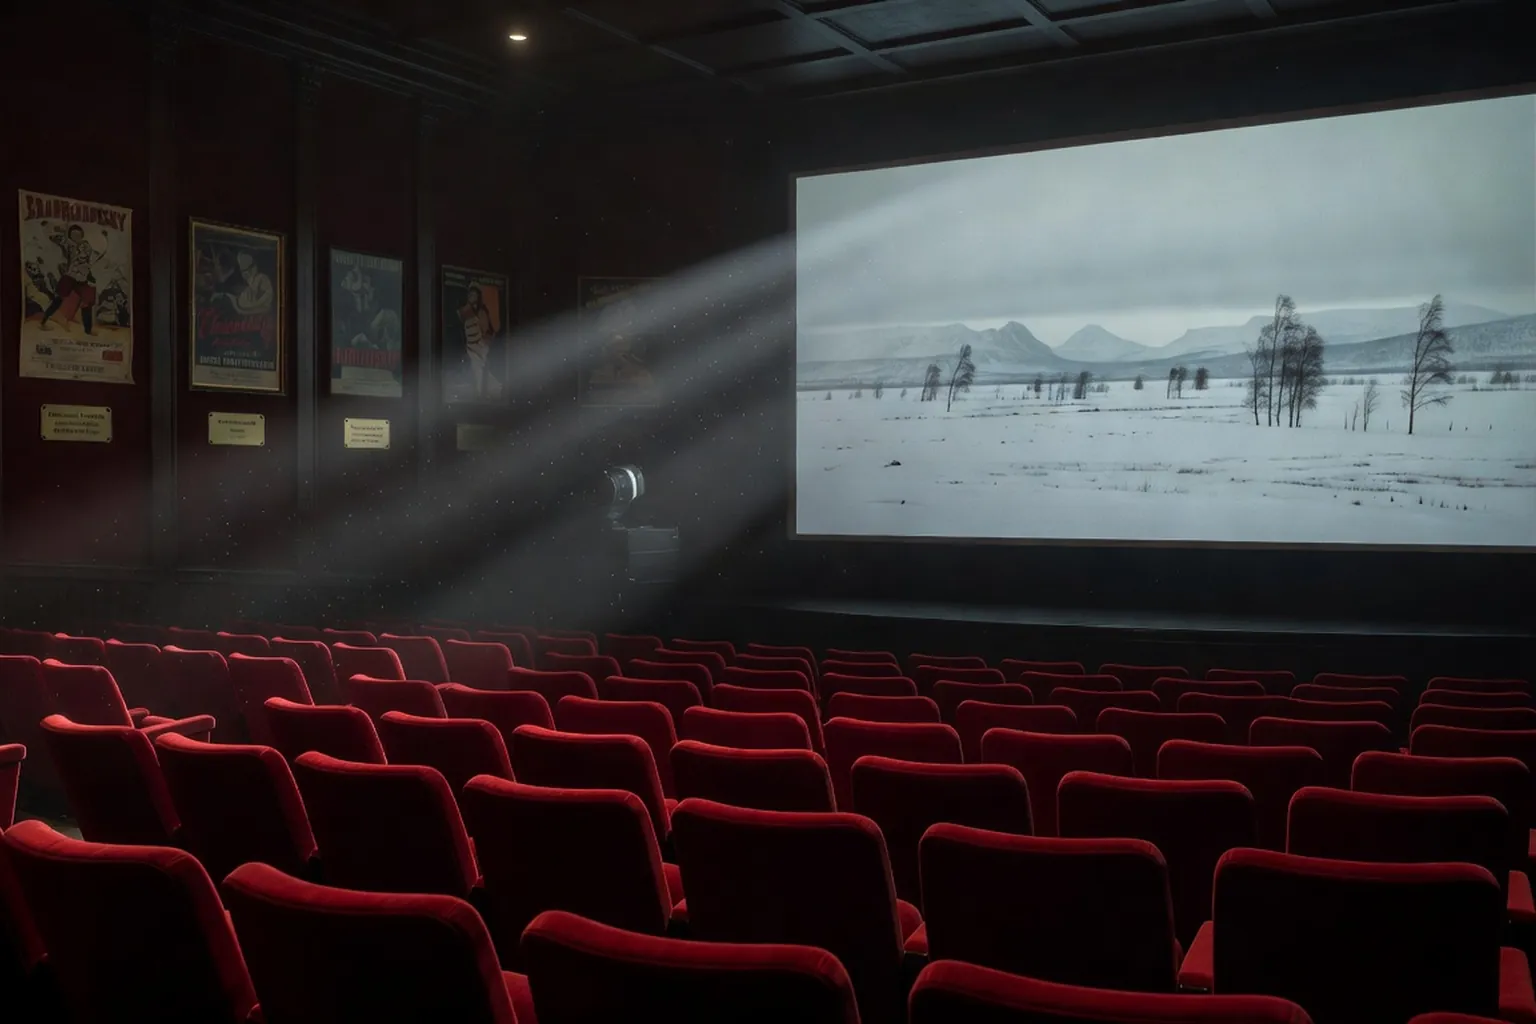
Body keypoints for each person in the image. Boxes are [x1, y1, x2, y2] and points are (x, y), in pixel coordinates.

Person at [38, 224, 108, 333]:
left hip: (82, 278)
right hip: (70, 276)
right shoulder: (68, 244)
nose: (76, 237)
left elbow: (94, 254)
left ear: (82, 235)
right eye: (73, 235)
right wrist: (57, 230)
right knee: (58, 299)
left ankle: (88, 330)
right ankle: (43, 322)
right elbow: (52, 237)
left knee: (87, 302)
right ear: (70, 236)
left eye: (78, 235)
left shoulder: (87, 246)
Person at [457, 283, 497, 399]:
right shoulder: (467, 311)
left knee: (480, 368)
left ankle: (482, 393)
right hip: (470, 345)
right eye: (470, 294)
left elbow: (488, 330)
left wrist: (484, 344)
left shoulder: (482, 311)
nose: (472, 297)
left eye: (474, 294)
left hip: (481, 345)